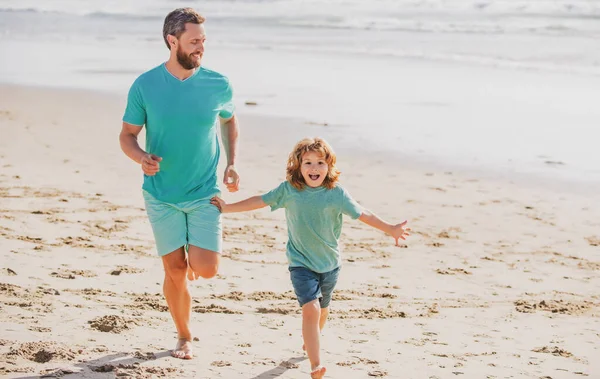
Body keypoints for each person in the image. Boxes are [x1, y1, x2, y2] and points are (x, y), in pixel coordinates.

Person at [210, 137, 410, 378]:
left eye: (320, 163)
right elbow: (260, 201)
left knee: (322, 311)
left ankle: (310, 340)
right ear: (297, 165)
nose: (314, 168)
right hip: (301, 264)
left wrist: (390, 229)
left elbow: (363, 213)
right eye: (308, 163)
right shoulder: (289, 190)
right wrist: (228, 207)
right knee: (312, 309)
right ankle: (316, 365)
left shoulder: (336, 194)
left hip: (330, 265)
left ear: (330, 166)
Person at [119, 8, 240, 360]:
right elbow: (127, 135)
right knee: (174, 269)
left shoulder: (218, 83)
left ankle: (196, 252)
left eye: (203, 40)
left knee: (205, 268)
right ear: (173, 41)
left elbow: (230, 122)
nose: (201, 47)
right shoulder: (146, 85)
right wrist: (140, 156)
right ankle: (184, 335)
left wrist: (232, 163)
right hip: (161, 195)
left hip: (204, 191)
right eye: (194, 41)